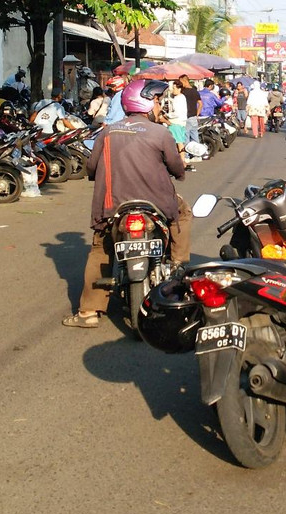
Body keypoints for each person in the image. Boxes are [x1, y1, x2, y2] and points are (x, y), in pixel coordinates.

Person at [64, 79, 191, 328]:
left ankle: (88, 312)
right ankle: (178, 266)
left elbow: (91, 167)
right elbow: (177, 169)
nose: (158, 105)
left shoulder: (108, 132)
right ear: (143, 102)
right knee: (183, 214)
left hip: (113, 206)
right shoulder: (161, 133)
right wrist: (180, 168)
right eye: (155, 100)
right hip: (157, 203)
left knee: (101, 248)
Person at [178, 74, 201, 148]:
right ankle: (197, 155)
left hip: (186, 117)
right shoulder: (195, 91)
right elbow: (200, 104)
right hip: (193, 117)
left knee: (185, 137)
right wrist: (197, 114)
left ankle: (187, 156)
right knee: (195, 137)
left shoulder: (183, 92)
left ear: (184, 81)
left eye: (180, 81)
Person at [165, 80, 188, 155]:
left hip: (176, 122)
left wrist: (168, 115)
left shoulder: (178, 98)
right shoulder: (182, 97)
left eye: (174, 88)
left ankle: (182, 159)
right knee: (180, 142)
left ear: (179, 89)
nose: (172, 90)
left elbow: (176, 113)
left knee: (178, 143)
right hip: (182, 122)